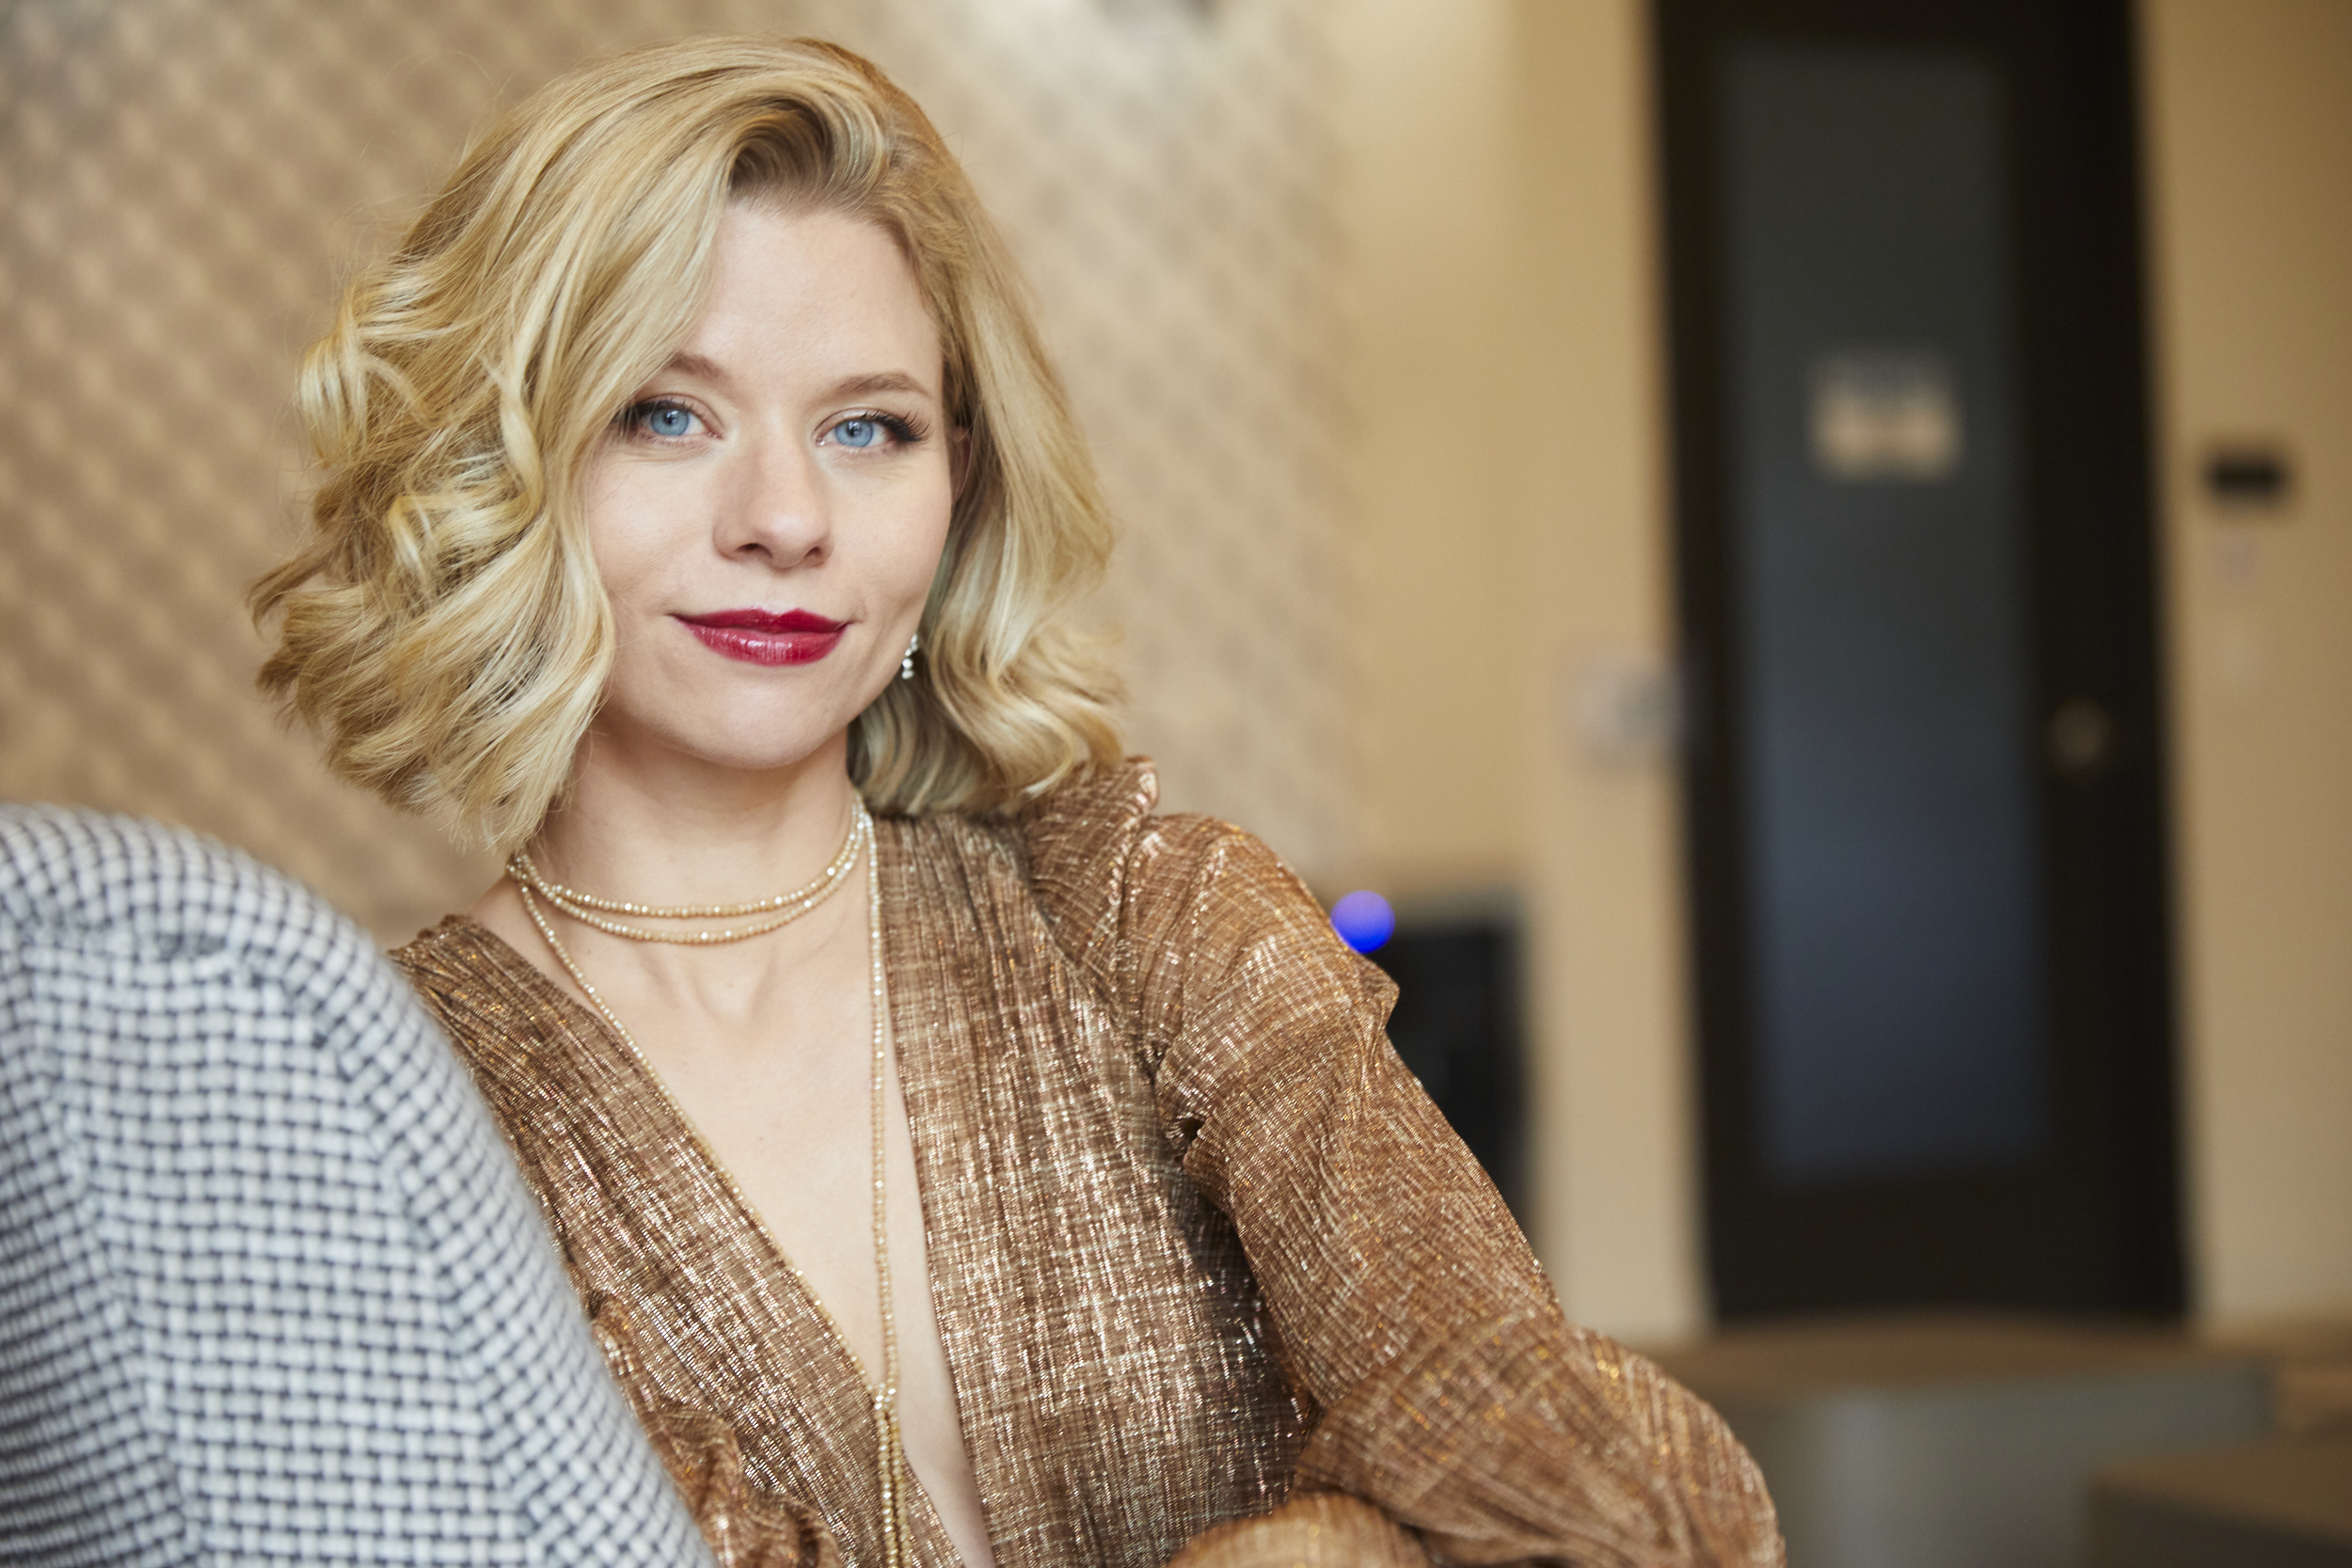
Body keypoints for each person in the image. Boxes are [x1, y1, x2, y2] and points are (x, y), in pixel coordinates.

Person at [252, 35, 1780, 1568]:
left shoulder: (1142, 918)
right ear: (504, 468)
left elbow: (1604, 1485)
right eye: (667, 412)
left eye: (868, 428)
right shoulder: (377, 1104)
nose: (786, 518)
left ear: (960, 486)